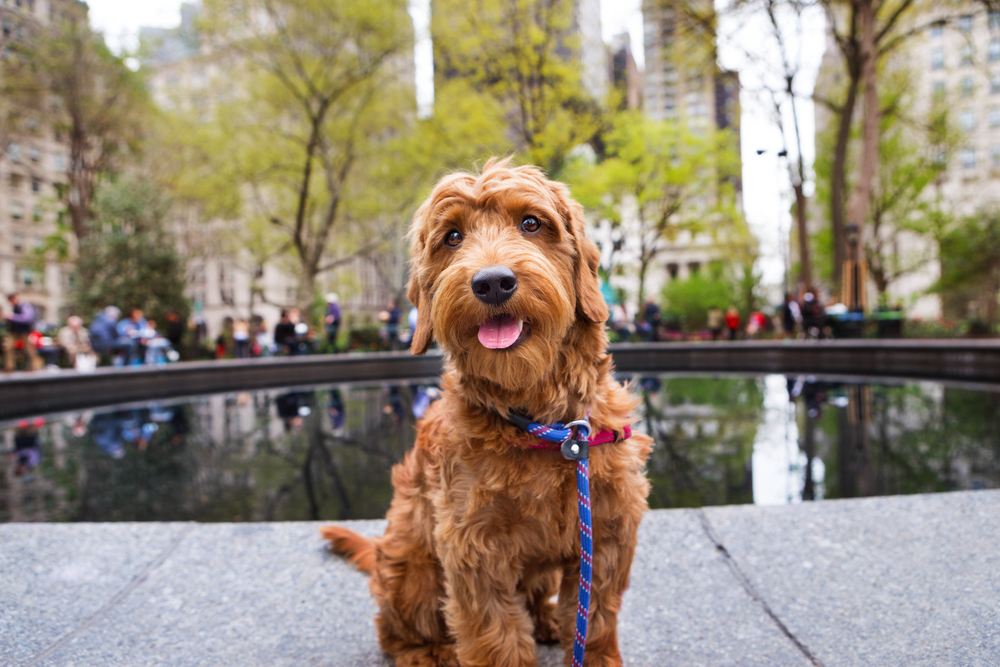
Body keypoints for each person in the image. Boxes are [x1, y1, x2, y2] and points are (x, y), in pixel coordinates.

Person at [3, 293, 42, 371]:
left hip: (24, 331)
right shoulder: (14, 307)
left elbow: (26, 318)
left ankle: (34, 366)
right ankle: (9, 367)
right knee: (8, 347)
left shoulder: (24, 306)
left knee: (29, 348)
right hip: (14, 331)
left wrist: (12, 316)